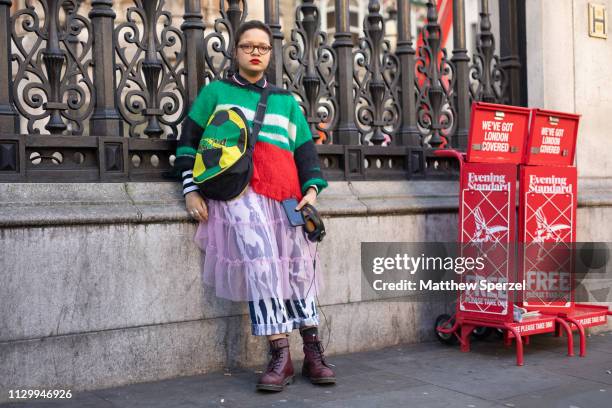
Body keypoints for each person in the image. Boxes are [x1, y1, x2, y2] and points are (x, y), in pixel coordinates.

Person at [174, 20, 336, 392]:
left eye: (262, 47)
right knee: (261, 266)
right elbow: (188, 145)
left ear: (270, 53)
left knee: (299, 270)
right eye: (249, 46)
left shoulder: (286, 101)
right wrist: (190, 190)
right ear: (236, 51)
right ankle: (280, 353)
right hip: (239, 194)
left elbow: (306, 152)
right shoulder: (215, 93)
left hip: (287, 196)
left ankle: (312, 349)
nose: (256, 52)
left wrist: (311, 190)